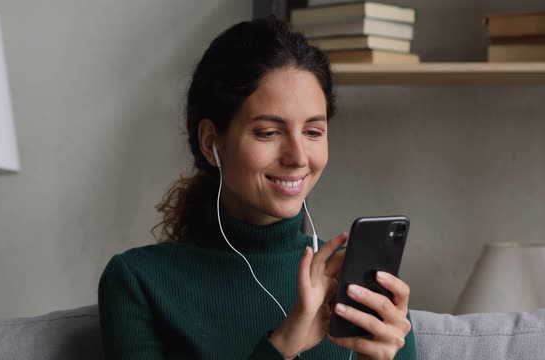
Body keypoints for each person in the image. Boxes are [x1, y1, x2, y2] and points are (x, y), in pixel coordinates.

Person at [98, 16, 416, 360]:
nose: (297, 157)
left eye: (313, 132)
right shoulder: (138, 283)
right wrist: (282, 345)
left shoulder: (355, 283)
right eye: (268, 132)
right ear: (211, 143)